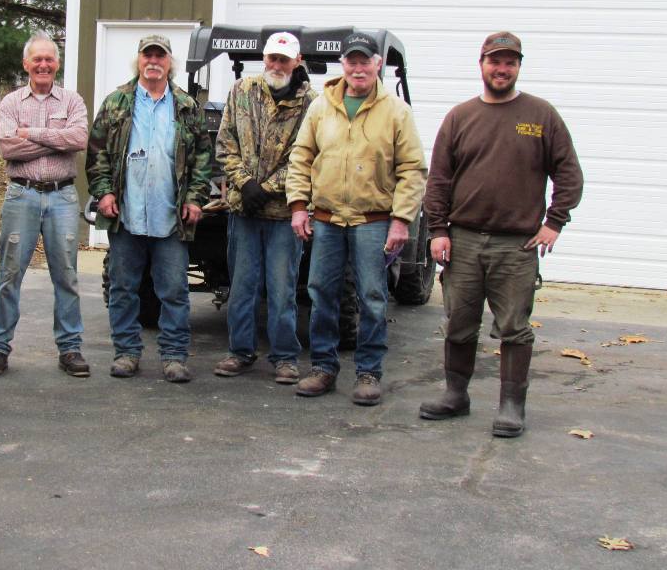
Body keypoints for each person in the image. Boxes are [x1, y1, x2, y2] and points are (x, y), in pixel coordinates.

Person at [419, 31, 583, 437]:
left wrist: (554, 222)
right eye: (495, 61)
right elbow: (438, 180)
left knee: (514, 328)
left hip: (516, 246)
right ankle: (455, 395)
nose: (502, 69)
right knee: (459, 323)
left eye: (510, 62)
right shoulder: (459, 117)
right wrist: (438, 230)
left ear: (519, 67)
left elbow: (569, 173)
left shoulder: (541, 115)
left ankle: (511, 406)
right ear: (482, 64)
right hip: (463, 241)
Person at [286, 32, 427, 404]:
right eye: (352, 61)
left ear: (377, 64)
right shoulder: (321, 107)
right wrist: (298, 206)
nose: (358, 68)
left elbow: (412, 169)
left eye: (365, 61)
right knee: (321, 294)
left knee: (372, 297)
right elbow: (301, 157)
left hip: (373, 221)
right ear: (343, 64)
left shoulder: (396, 111)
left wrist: (402, 220)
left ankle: (368, 372)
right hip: (327, 220)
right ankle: (323, 367)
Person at [86, 34, 212, 383]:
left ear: (170, 62)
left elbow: (203, 156)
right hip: (126, 216)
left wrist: (195, 198)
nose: (153, 61)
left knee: (174, 291)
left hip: (170, 217)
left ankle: (174, 356)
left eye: (160, 56)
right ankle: (126, 352)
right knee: (123, 289)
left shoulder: (186, 106)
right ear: (139, 60)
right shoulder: (116, 102)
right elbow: (96, 153)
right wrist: (104, 193)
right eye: (148, 55)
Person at [0, 32, 90, 377]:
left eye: (49, 59)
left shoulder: (72, 101)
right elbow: (8, 148)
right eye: (37, 59)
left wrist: (31, 133)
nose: (44, 65)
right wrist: (57, 141)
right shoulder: (11, 102)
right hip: (21, 195)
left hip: (62, 195)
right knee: (10, 273)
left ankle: (70, 348)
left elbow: (79, 139)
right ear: (26, 63)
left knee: (67, 275)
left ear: (57, 63)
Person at [213, 32, 315, 384]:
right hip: (244, 210)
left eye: (284, 59)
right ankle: (240, 351)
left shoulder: (311, 103)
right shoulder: (242, 91)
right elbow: (225, 143)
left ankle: (285, 357)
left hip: (285, 214)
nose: (277, 65)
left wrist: (268, 188)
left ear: (297, 61)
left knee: (282, 289)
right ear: (264, 58)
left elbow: (306, 156)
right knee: (242, 286)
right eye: (272, 58)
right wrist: (245, 183)